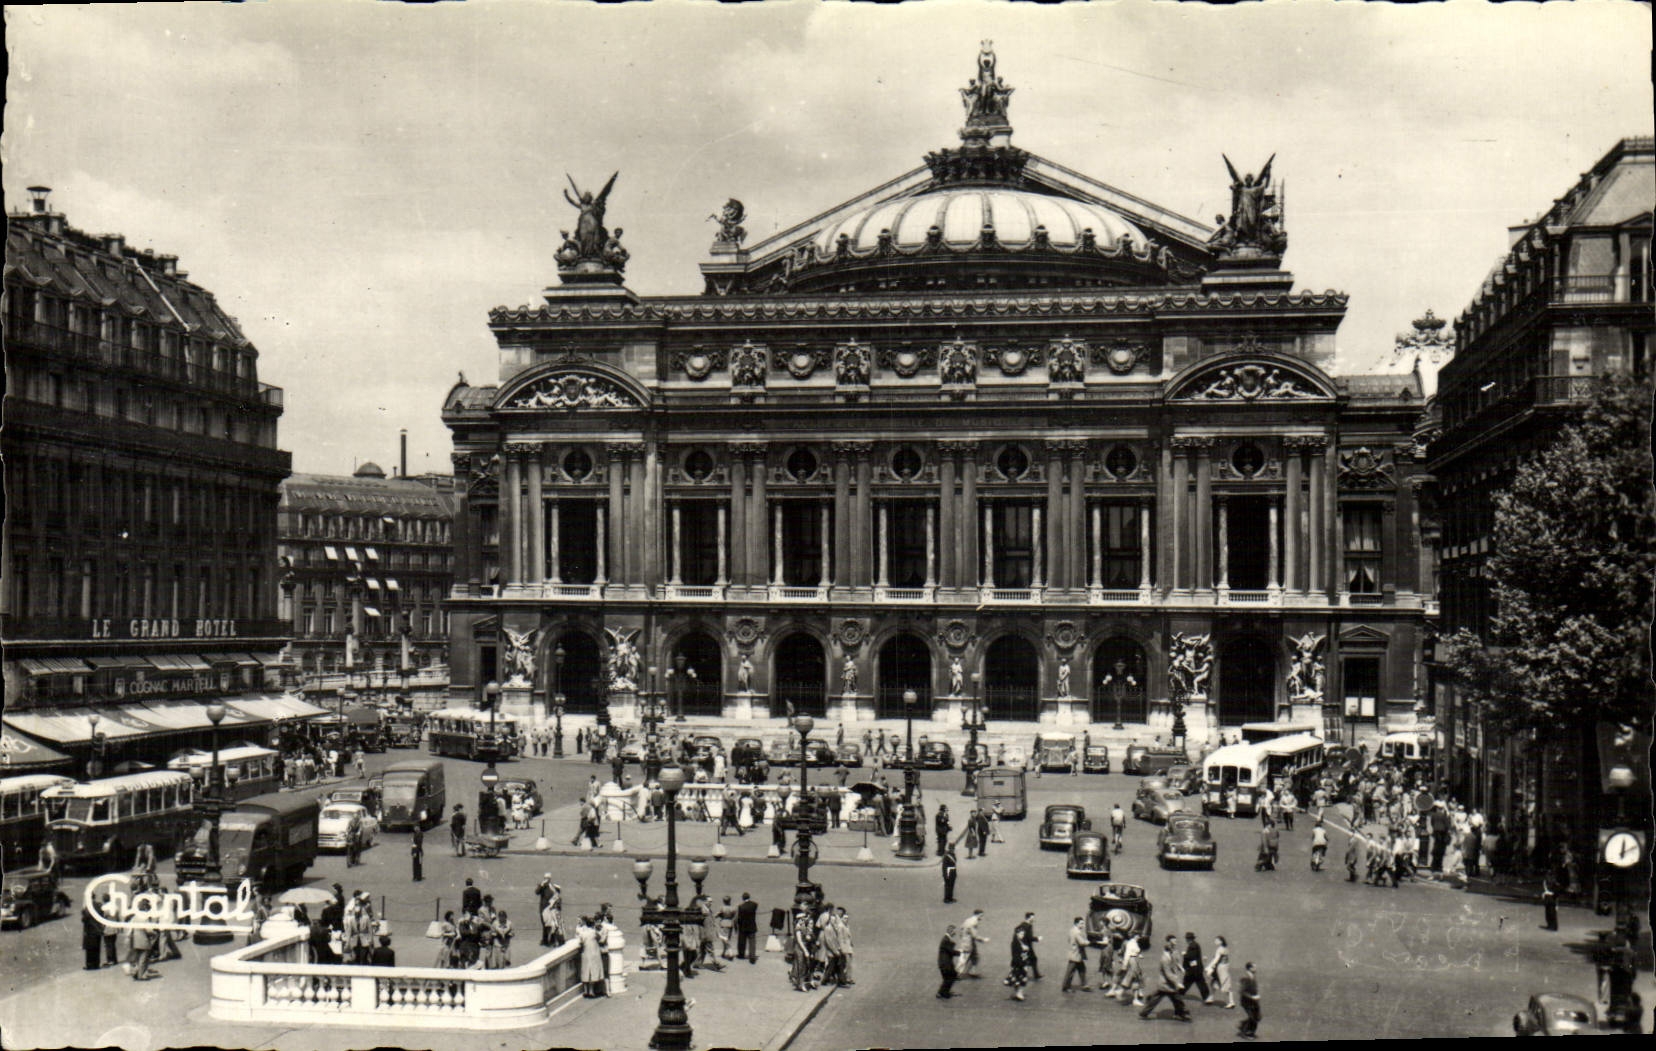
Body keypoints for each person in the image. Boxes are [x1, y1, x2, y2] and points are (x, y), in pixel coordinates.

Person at [1138, 934, 1193, 1021]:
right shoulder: (1165, 959)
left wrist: (1180, 968)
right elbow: (1168, 974)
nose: (1173, 949)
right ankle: (1182, 1014)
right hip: (1166, 984)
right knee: (1177, 999)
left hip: (1165, 984)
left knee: (1158, 999)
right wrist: (1177, 983)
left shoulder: (1172, 954)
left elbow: (1175, 962)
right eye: (1172, 948)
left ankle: (1144, 1012)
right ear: (1168, 950)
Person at [578, 917, 607, 998]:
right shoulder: (594, 932)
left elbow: (580, 943)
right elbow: (600, 939)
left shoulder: (582, 933)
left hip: (585, 954)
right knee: (592, 972)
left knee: (585, 971)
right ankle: (591, 991)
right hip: (594, 954)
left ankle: (585, 990)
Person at [1005, 918, 1033, 1001]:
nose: (1022, 935)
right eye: (1021, 934)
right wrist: (1022, 964)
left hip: (1022, 963)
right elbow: (1015, 955)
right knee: (1020, 979)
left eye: (1023, 934)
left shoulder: (1021, 941)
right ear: (1017, 934)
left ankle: (1018, 993)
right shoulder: (1015, 943)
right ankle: (1019, 994)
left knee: (1019, 979)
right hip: (1018, 964)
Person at [1061, 916, 1091, 992]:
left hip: (1074, 953)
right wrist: (1088, 942)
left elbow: (1069, 940)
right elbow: (1082, 943)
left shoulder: (1071, 930)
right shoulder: (1077, 932)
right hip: (1076, 954)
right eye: (1081, 923)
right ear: (1076, 923)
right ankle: (1066, 987)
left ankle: (1084, 985)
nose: (1083, 925)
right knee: (1070, 971)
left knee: (1082, 969)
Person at [1180, 931, 1210, 1003]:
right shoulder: (1194, 944)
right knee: (1197, 982)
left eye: (1187, 939)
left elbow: (1191, 956)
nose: (1186, 940)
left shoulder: (1192, 946)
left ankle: (1179, 993)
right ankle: (1207, 997)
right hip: (1195, 969)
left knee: (1190, 982)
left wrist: (1184, 954)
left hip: (1194, 969)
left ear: (1189, 939)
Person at [1206, 934, 1235, 1008]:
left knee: (1225, 984)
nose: (1215, 941)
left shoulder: (1220, 949)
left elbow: (1216, 959)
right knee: (1215, 982)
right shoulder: (1225, 949)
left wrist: (1209, 966)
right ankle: (1210, 998)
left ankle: (1231, 1002)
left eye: (1217, 940)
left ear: (1221, 941)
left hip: (1221, 968)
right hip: (1223, 968)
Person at [1237, 961, 1262, 1038]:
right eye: (1254, 967)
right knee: (1253, 1017)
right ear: (1249, 968)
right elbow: (1242, 991)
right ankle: (1248, 1032)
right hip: (1247, 1002)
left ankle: (1244, 1026)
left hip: (1253, 1001)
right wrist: (1252, 997)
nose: (1256, 969)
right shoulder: (1246, 978)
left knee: (1257, 1017)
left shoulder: (1252, 976)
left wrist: (1256, 995)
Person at [962, 909, 988, 978]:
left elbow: (961, 929)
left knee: (975, 957)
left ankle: (971, 972)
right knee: (965, 959)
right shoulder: (974, 922)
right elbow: (975, 935)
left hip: (966, 941)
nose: (981, 918)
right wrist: (983, 940)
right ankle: (957, 974)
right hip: (969, 942)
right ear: (978, 915)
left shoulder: (968, 920)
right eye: (981, 916)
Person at [1016, 912, 1042, 980]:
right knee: (1030, 960)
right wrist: (1037, 939)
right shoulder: (1028, 926)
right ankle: (1031, 975)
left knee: (1032, 959)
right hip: (1027, 946)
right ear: (1029, 918)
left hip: (1023, 945)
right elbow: (1029, 937)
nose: (1033, 919)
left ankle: (1035, 974)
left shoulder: (1022, 925)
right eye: (1032, 918)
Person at [82, 898, 105, 970]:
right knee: (97, 947)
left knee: (90, 949)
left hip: (90, 930)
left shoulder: (88, 907)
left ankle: (90, 965)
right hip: (98, 929)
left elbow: (85, 918)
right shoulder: (99, 905)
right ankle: (96, 964)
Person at [735, 891, 759, 963]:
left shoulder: (741, 907)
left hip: (743, 926)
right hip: (752, 925)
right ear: (749, 897)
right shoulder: (754, 905)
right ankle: (752, 956)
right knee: (752, 942)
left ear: (743, 898)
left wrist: (738, 925)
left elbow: (739, 918)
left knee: (742, 941)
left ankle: (741, 955)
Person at [938, 924, 960, 999]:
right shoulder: (946, 940)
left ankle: (945, 991)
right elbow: (951, 951)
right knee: (949, 978)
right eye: (954, 932)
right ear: (951, 931)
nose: (955, 933)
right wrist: (960, 952)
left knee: (952, 976)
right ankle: (942, 993)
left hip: (946, 962)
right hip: (945, 963)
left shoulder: (947, 939)